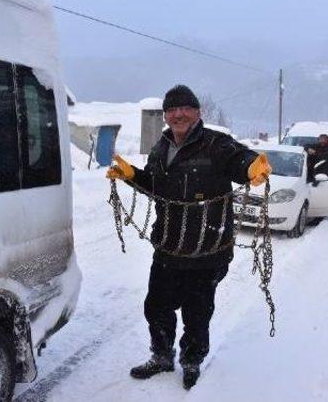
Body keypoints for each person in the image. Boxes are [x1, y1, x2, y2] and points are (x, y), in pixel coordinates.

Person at [106, 85, 271, 390]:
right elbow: (157, 188)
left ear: (198, 112)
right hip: (168, 246)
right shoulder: (161, 148)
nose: (179, 114)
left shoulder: (216, 144)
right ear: (166, 115)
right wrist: (133, 176)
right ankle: (162, 356)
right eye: (172, 109)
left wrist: (251, 167)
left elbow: (240, 159)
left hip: (207, 249)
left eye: (186, 108)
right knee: (156, 306)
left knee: (197, 313)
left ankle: (191, 360)